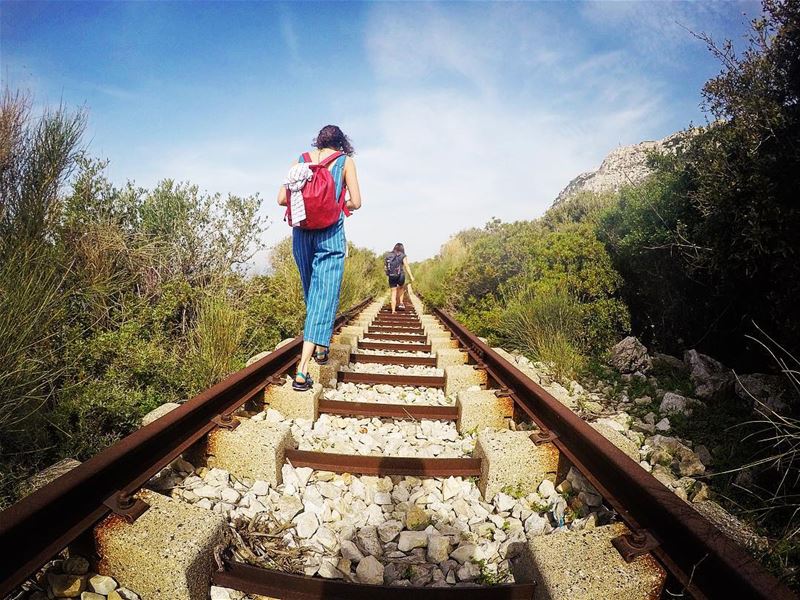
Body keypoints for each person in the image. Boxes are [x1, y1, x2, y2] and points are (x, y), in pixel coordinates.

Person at [277, 125, 362, 391]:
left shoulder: (299, 161)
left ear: (318, 141)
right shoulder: (345, 161)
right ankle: (302, 371)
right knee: (323, 296)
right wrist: (337, 204)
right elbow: (356, 202)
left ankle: (321, 346)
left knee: (313, 294)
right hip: (330, 235)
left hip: (302, 235)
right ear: (341, 143)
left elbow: (281, 199)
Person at [385, 242, 415, 313]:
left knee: (393, 292)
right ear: (402, 248)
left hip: (392, 275)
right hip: (401, 275)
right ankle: (401, 303)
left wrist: (388, 274)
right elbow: (407, 266)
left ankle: (393, 310)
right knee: (401, 287)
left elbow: (386, 268)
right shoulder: (403, 255)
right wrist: (411, 276)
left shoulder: (388, 255)